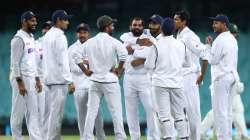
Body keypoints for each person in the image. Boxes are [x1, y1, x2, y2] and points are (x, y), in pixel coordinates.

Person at [74, 15, 127, 140]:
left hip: (94, 80)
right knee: (116, 112)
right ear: (107, 27)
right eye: (111, 25)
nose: (113, 27)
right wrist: (118, 70)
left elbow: (76, 56)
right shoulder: (113, 41)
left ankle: (86, 137)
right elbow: (124, 55)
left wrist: (86, 71)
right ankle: (120, 137)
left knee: (91, 112)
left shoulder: (90, 42)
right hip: (110, 80)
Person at [201, 23, 250, 140]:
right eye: (234, 34)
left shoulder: (231, 43)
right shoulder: (225, 42)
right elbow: (214, 60)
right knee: (220, 111)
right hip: (221, 81)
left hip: (228, 81)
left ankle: (239, 134)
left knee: (229, 110)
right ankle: (203, 132)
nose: (235, 37)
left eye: (236, 35)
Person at [144, 17, 189, 140]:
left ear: (162, 29)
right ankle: (184, 138)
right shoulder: (181, 44)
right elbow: (188, 63)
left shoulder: (156, 45)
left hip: (160, 83)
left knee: (164, 116)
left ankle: (169, 137)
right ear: (174, 29)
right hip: (177, 83)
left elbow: (148, 65)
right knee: (180, 115)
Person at [120, 17, 159, 140]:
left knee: (151, 109)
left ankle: (153, 137)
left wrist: (135, 53)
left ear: (143, 27)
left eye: (139, 25)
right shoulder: (126, 37)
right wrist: (140, 53)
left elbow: (150, 55)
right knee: (131, 111)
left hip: (144, 78)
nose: (136, 27)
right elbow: (124, 51)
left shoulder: (149, 39)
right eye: (134, 25)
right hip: (129, 78)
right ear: (130, 26)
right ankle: (134, 137)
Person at [173, 10, 209, 140]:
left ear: (184, 22)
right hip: (179, 77)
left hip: (190, 77)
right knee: (178, 112)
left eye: (177, 19)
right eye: (174, 19)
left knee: (192, 112)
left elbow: (205, 55)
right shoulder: (178, 35)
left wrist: (202, 76)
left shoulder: (190, 36)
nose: (174, 21)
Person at [68, 23, 106, 140]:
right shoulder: (72, 48)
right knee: (82, 114)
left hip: (93, 84)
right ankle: (85, 138)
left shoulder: (94, 46)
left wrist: (84, 63)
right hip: (79, 85)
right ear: (76, 34)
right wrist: (88, 64)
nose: (82, 34)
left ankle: (100, 137)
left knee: (97, 113)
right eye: (80, 32)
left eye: (85, 32)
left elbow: (99, 65)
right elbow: (72, 68)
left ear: (89, 34)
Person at [42, 10, 75, 140]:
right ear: (58, 21)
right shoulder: (60, 36)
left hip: (48, 80)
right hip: (59, 82)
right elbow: (63, 62)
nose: (68, 22)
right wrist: (70, 81)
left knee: (48, 115)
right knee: (56, 116)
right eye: (65, 19)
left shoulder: (47, 35)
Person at [10, 11, 42, 140]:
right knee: (18, 113)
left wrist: (37, 79)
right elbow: (15, 64)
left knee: (33, 113)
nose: (35, 23)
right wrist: (20, 83)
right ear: (24, 21)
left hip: (31, 79)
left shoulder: (30, 38)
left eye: (35, 20)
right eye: (32, 21)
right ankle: (17, 138)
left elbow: (32, 62)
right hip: (21, 78)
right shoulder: (18, 39)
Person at [206, 14, 239, 140]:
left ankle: (222, 138)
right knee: (228, 112)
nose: (213, 25)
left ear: (224, 24)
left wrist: (209, 47)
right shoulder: (232, 38)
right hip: (232, 77)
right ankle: (227, 137)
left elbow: (213, 60)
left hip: (221, 79)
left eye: (216, 23)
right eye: (213, 23)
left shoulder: (220, 40)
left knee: (220, 113)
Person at [35, 20, 52, 139]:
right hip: (39, 81)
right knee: (39, 112)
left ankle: (46, 137)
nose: (47, 30)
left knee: (49, 113)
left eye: (49, 28)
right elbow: (32, 64)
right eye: (45, 28)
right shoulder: (36, 44)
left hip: (52, 83)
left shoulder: (57, 45)